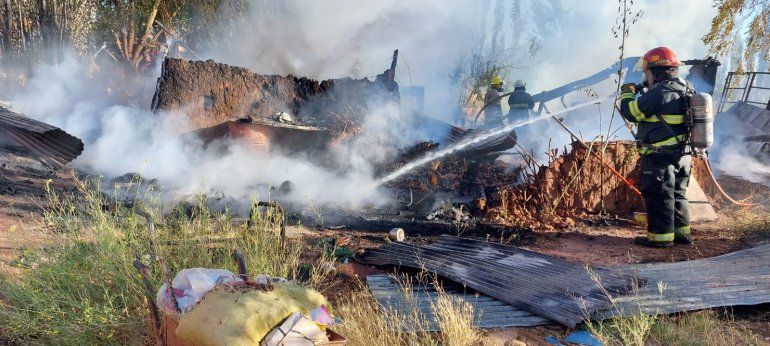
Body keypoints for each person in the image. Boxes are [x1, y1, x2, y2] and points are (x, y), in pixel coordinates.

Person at [618, 47, 695, 248]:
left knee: (659, 198)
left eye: (647, 72)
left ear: (655, 70)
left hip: (660, 157)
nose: (646, 76)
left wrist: (627, 94)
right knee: (678, 195)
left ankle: (660, 239)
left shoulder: (661, 92)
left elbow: (632, 112)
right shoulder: (685, 86)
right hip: (683, 156)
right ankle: (682, 235)